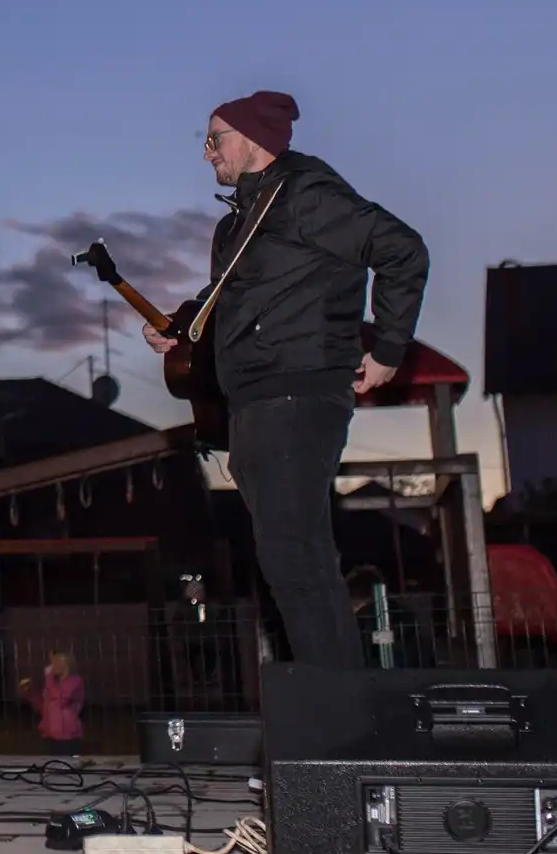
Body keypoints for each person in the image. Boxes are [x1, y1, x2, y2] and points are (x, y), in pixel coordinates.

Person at [146, 91, 428, 670]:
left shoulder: (306, 194)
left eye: (214, 139)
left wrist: (389, 348)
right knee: (285, 559)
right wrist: (181, 326)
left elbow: (403, 250)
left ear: (253, 140)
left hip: (298, 391)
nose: (206, 153)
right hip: (251, 401)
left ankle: (340, 715)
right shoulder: (238, 225)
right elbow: (228, 301)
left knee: (295, 555)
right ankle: (332, 711)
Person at [20, 649, 84, 758]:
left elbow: (62, 698)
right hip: (52, 732)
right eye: (52, 663)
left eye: (57, 663)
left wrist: (48, 676)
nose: (52, 666)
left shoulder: (75, 681)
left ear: (66, 665)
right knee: (54, 763)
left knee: (69, 763)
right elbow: (45, 705)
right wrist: (30, 694)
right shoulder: (52, 683)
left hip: (68, 733)